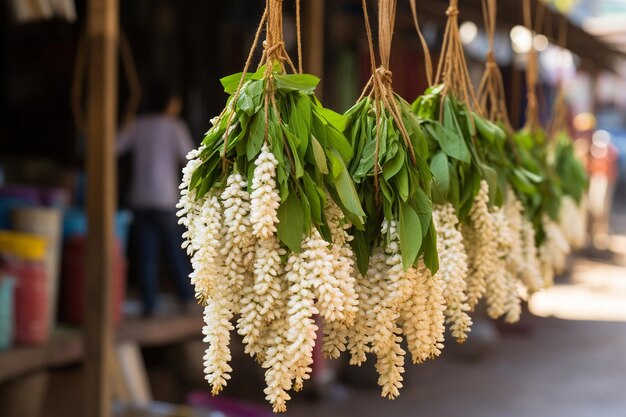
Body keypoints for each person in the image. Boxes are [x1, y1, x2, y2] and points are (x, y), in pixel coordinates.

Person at [117, 83, 194, 316]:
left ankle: (149, 305)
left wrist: (126, 122)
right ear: (170, 103)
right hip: (165, 200)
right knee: (174, 253)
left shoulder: (137, 125)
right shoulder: (174, 127)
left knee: (146, 257)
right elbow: (190, 159)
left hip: (140, 200)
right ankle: (186, 299)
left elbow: (112, 147)